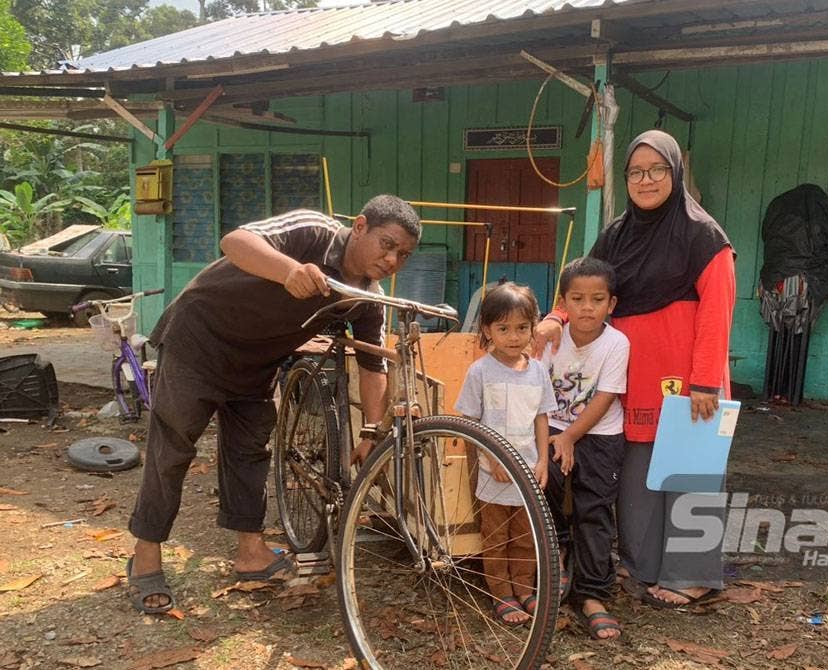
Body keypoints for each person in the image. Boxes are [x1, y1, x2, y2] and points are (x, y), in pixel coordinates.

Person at [125, 195, 421, 614]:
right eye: (386, 244)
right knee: (172, 449)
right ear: (360, 226)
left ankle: (251, 553)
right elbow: (236, 241)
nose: (392, 260)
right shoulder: (313, 231)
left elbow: (374, 365)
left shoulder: (366, 296)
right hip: (198, 342)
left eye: (403, 255)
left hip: (255, 365)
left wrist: (371, 431)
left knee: (250, 453)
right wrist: (291, 271)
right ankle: (146, 555)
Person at [534, 129, 735, 608]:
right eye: (636, 172)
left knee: (690, 475)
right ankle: (644, 569)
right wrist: (554, 318)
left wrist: (705, 379)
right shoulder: (616, 235)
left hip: (689, 380)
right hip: (631, 379)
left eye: (657, 170)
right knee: (640, 480)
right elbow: (586, 287)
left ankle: (693, 575)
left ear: (675, 172)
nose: (646, 180)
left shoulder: (703, 235)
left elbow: (717, 310)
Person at [454, 282, 557, 625]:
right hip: (493, 472)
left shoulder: (538, 371)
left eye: (522, 328)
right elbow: (469, 422)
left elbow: (541, 418)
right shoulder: (480, 371)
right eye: (503, 329)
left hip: (528, 471)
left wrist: (543, 461)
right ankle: (501, 593)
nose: (514, 337)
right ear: (487, 330)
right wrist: (492, 459)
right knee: (496, 537)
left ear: (532, 326)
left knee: (527, 537)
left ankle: (524, 588)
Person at [541, 257, 629, 640]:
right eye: (577, 299)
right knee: (548, 490)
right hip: (551, 427)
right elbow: (532, 379)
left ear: (611, 304)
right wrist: (554, 437)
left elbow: (606, 397)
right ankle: (558, 558)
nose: (587, 307)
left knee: (593, 508)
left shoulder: (616, 343)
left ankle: (593, 594)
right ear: (564, 302)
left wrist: (571, 437)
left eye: (597, 299)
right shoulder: (551, 336)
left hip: (599, 434)